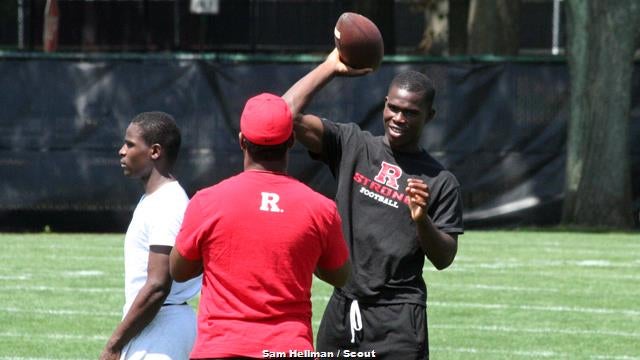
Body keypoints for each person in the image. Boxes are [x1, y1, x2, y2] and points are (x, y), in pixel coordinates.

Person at [282, 48, 464, 359]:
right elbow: (283, 114)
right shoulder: (353, 144)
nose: (399, 118)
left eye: (410, 112)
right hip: (343, 307)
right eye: (393, 108)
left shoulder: (440, 180)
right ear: (384, 105)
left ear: (430, 115)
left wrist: (422, 220)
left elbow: (444, 257)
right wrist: (330, 67)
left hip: (398, 319)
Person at [169, 93, 351, 359]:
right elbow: (340, 276)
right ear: (291, 141)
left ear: (242, 140)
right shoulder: (321, 208)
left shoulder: (207, 201)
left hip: (220, 349)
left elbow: (178, 270)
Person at [101, 112, 201, 360]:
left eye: (130, 144)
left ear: (155, 151)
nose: (122, 151)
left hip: (161, 330)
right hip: (158, 324)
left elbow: (158, 285)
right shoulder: (157, 199)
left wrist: (114, 344)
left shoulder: (167, 204)